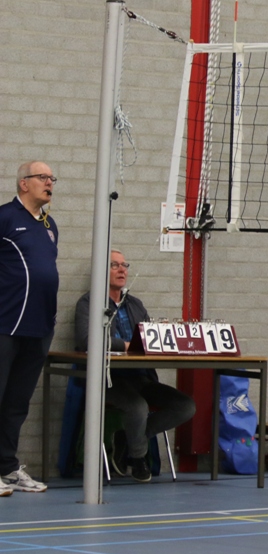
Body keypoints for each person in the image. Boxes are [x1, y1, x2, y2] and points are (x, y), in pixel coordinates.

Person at [74, 250, 196, 483]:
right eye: (115, 265)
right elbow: (86, 339)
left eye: (125, 265)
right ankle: (138, 457)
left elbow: (150, 337)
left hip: (141, 377)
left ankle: (129, 438)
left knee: (185, 406)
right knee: (138, 406)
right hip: (109, 379)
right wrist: (126, 345)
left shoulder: (135, 304)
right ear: (100, 270)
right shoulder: (88, 303)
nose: (122, 270)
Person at [0, 161, 58, 496]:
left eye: (52, 178)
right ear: (24, 183)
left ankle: (7, 467)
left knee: (17, 402)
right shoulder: (5, 217)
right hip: (6, 324)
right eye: (43, 177)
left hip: (39, 328)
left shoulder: (50, 225)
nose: (50, 183)